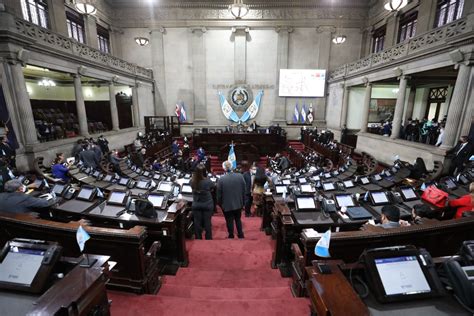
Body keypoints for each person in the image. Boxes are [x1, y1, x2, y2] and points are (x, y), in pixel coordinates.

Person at [217, 160, 246, 239]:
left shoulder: (221, 179)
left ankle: (231, 235)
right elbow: (244, 190)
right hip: (238, 203)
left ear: (224, 168)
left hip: (227, 204)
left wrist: (220, 204)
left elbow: (219, 195)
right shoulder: (240, 176)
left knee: (229, 220)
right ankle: (240, 234)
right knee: (238, 219)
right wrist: (243, 203)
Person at [191, 164, 215, 240]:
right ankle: (208, 238)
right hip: (207, 204)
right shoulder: (208, 181)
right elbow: (213, 188)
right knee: (207, 222)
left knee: (197, 222)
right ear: (205, 172)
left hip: (196, 204)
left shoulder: (192, 181)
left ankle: (198, 238)